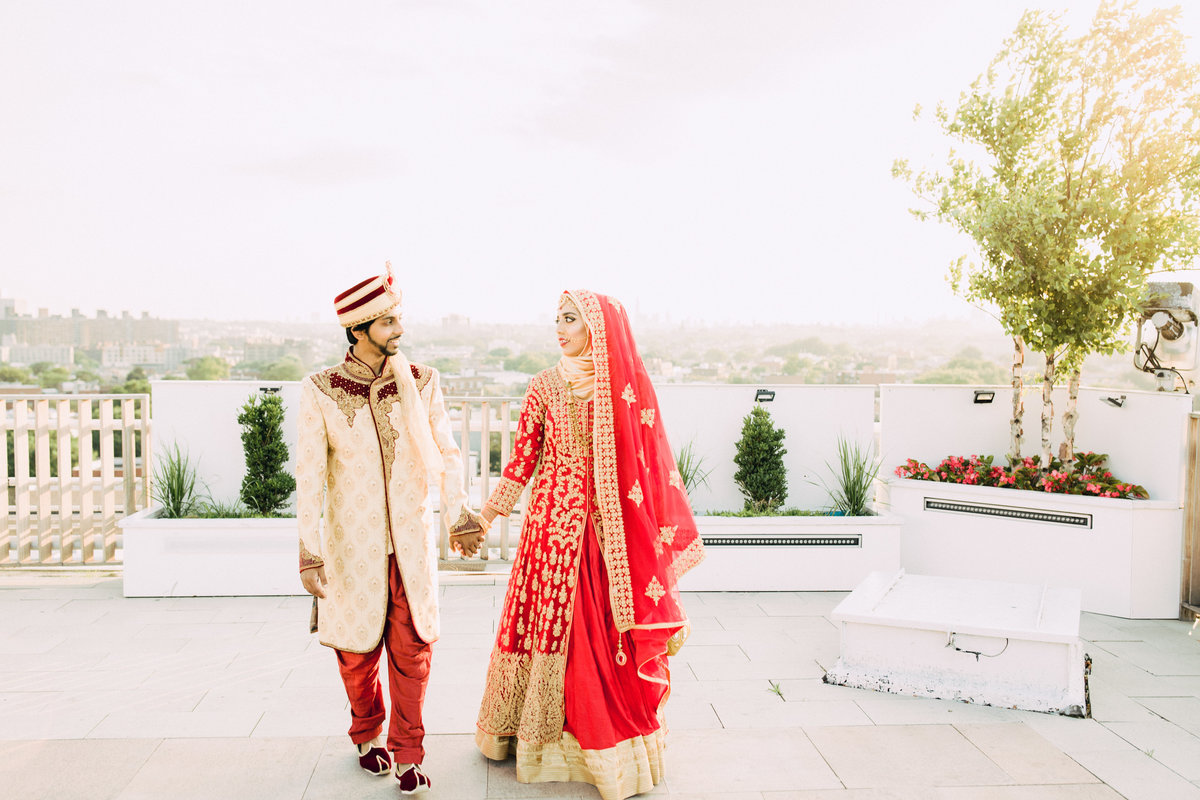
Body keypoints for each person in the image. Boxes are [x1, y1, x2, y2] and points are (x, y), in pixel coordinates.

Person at [474, 289, 705, 800]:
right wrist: (486, 516)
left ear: (598, 330)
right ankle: (533, 737)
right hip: (550, 536)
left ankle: (603, 744)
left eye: (571, 319)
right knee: (550, 632)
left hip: (606, 541)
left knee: (598, 641)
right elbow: (522, 461)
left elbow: (644, 466)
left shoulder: (624, 389)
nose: (560, 328)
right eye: (556, 319)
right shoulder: (543, 386)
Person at [295, 263, 487, 796]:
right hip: (352, 547)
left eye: (398, 319)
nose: (398, 331)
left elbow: (446, 451)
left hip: (410, 546)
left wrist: (460, 513)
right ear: (357, 331)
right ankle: (366, 735)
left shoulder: (422, 382)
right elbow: (308, 477)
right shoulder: (321, 390)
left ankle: (409, 754)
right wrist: (310, 551)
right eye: (386, 323)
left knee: (414, 652)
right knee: (357, 656)